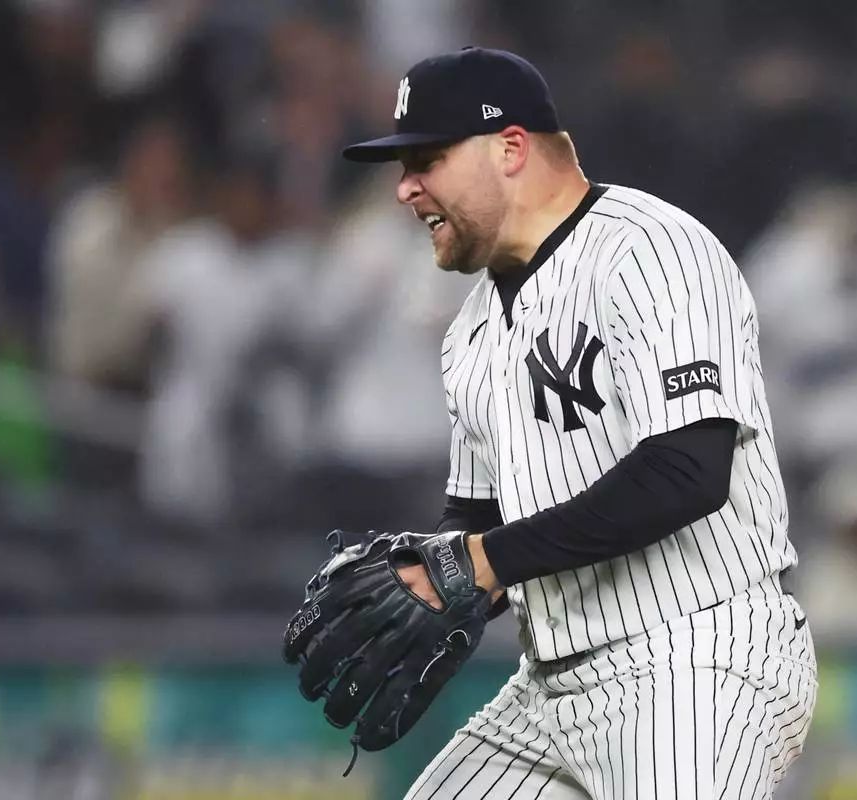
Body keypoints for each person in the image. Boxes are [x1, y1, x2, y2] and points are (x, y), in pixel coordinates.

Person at [339, 47, 817, 800]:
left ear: (510, 149)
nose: (405, 188)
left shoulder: (650, 250)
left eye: (426, 160)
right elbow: (477, 522)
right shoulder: (468, 333)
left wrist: (485, 561)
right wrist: (435, 577)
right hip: (548, 690)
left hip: (696, 657)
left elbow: (688, 470)